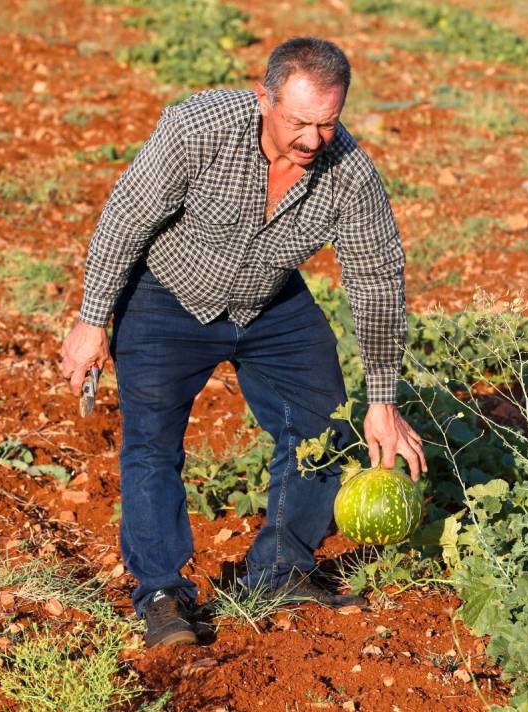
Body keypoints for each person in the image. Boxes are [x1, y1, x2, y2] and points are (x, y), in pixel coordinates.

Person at [60, 37, 426, 647]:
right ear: (265, 98)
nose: (312, 139)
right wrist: (91, 320)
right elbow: (126, 217)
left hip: (269, 300)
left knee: (324, 425)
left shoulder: (351, 174)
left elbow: (376, 278)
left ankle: (280, 569)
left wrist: (382, 402)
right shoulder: (196, 128)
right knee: (151, 445)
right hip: (166, 293)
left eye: (328, 124)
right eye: (298, 122)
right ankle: (161, 592)